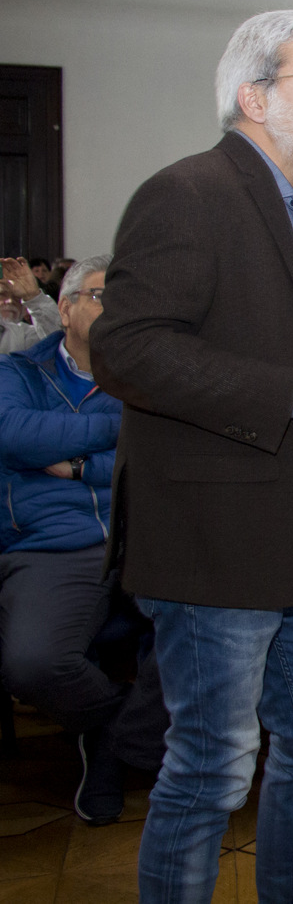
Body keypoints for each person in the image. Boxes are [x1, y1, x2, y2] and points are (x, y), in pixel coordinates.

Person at [92, 9, 293, 900]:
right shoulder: (189, 193)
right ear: (253, 97)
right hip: (214, 537)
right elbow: (128, 350)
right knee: (211, 772)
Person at [0, 255, 166, 825]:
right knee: (31, 662)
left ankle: (116, 747)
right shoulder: (18, 373)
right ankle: (111, 721)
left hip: (146, 532)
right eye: (99, 296)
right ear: (65, 308)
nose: (113, 308)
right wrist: (122, 427)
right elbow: (17, 436)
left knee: (208, 623)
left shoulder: (150, 375)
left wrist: (77, 464)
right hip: (55, 542)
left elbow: (160, 460)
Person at [0, 255, 62, 354]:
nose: (10, 301)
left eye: (17, 297)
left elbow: (58, 340)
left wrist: (33, 297)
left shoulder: (22, 336)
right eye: (2, 295)